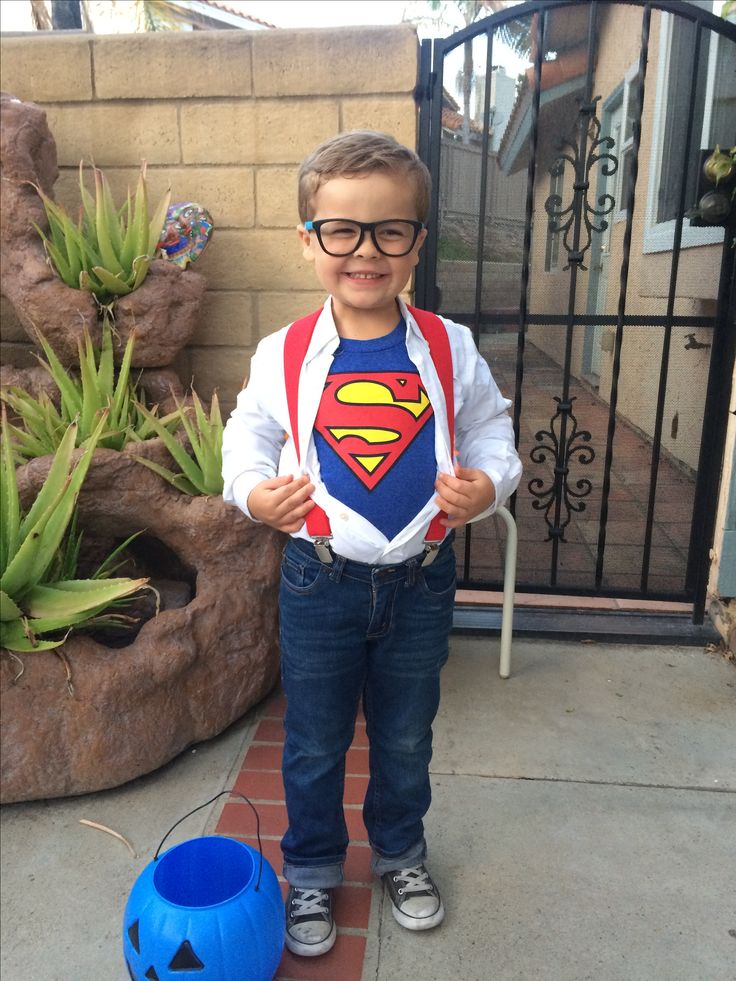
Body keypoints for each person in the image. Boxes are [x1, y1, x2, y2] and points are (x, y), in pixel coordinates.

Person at [221, 130, 522, 958]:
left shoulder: (449, 346)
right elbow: (247, 433)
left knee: (404, 733)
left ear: (417, 242)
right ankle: (313, 866)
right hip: (320, 579)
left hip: (422, 580)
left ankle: (400, 853)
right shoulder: (282, 353)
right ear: (308, 238)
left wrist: (488, 484)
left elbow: (493, 431)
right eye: (342, 230)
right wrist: (252, 489)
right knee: (314, 738)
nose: (366, 250)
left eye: (391, 230)